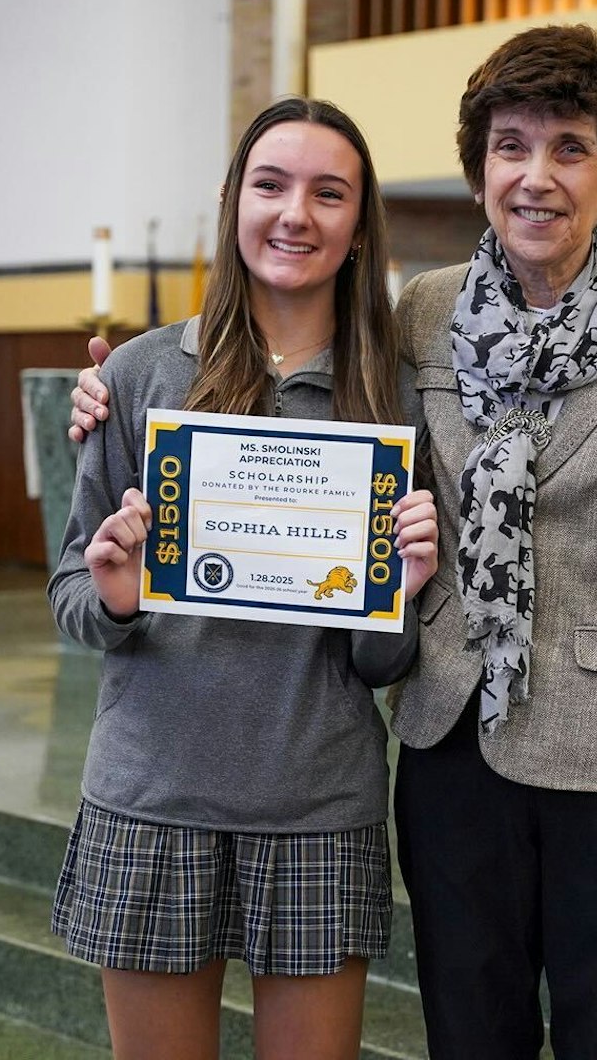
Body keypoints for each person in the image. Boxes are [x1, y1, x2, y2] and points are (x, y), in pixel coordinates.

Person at [71, 24, 597, 1060]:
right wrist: (105, 390)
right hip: (452, 757)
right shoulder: (420, 318)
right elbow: (275, 366)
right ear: (479, 166)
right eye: (510, 146)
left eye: (569, 147)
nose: (536, 177)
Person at [49, 96, 438, 1060]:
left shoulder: (396, 396)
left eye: (327, 193)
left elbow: (382, 663)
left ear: (358, 226)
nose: (294, 213)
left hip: (316, 805)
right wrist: (116, 593)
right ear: (233, 204)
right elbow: (70, 590)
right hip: (153, 798)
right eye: (270, 185)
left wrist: (408, 581)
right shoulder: (139, 377)